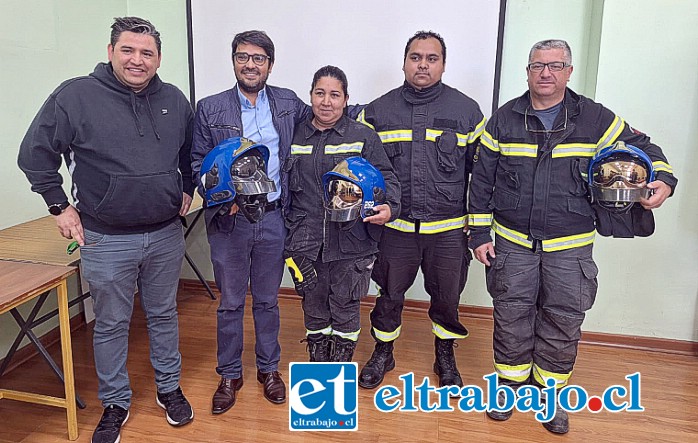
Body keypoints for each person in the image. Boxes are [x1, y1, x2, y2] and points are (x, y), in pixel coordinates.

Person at [467, 39, 677, 434]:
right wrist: (478, 233)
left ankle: (550, 394)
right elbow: (481, 182)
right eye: (537, 65)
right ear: (527, 71)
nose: (546, 73)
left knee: (563, 320)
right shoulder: (503, 120)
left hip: (571, 246)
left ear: (568, 72)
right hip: (512, 241)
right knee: (511, 315)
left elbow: (645, 148)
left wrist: (663, 180)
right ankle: (511, 386)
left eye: (555, 65)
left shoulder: (596, 119)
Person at [18, 16, 195, 443]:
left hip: (166, 234)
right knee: (112, 324)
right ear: (111, 51)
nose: (138, 60)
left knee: (163, 315)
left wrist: (187, 187)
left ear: (158, 58)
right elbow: (34, 154)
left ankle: (168, 389)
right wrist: (59, 207)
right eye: (128, 50)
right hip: (105, 238)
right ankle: (115, 402)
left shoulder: (174, 98)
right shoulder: (75, 95)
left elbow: (190, 151)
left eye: (147, 52)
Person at [191, 30, 312, 415]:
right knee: (229, 303)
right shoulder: (210, 108)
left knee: (267, 300)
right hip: (231, 221)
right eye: (243, 57)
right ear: (233, 61)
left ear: (270, 65)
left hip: (275, 217)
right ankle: (229, 374)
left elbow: (327, 117)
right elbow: (197, 164)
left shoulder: (288, 102)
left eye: (258, 58)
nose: (250, 64)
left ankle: (268, 369)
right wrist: (218, 195)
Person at [356, 31, 486, 389]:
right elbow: (360, 169)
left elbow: (484, 174)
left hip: (447, 231)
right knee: (388, 295)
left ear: (443, 64)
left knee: (447, 298)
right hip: (395, 229)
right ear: (404, 62)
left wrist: (477, 230)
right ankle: (383, 350)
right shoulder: (377, 112)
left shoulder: (467, 111)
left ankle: (445, 354)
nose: (423, 65)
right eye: (416, 57)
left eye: (432, 58)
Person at [284, 66, 400, 363]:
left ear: (346, 99)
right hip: (306, 242)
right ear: (310, 96)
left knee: (346, 305)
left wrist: (391, 207)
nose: (326, 101)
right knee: (313, 304)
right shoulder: (294, 136)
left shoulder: (363, 136)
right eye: (320, 93)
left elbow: (387, 178)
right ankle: (318, 359)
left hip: (353, 242)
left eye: (334, 95)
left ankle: (341, 363)